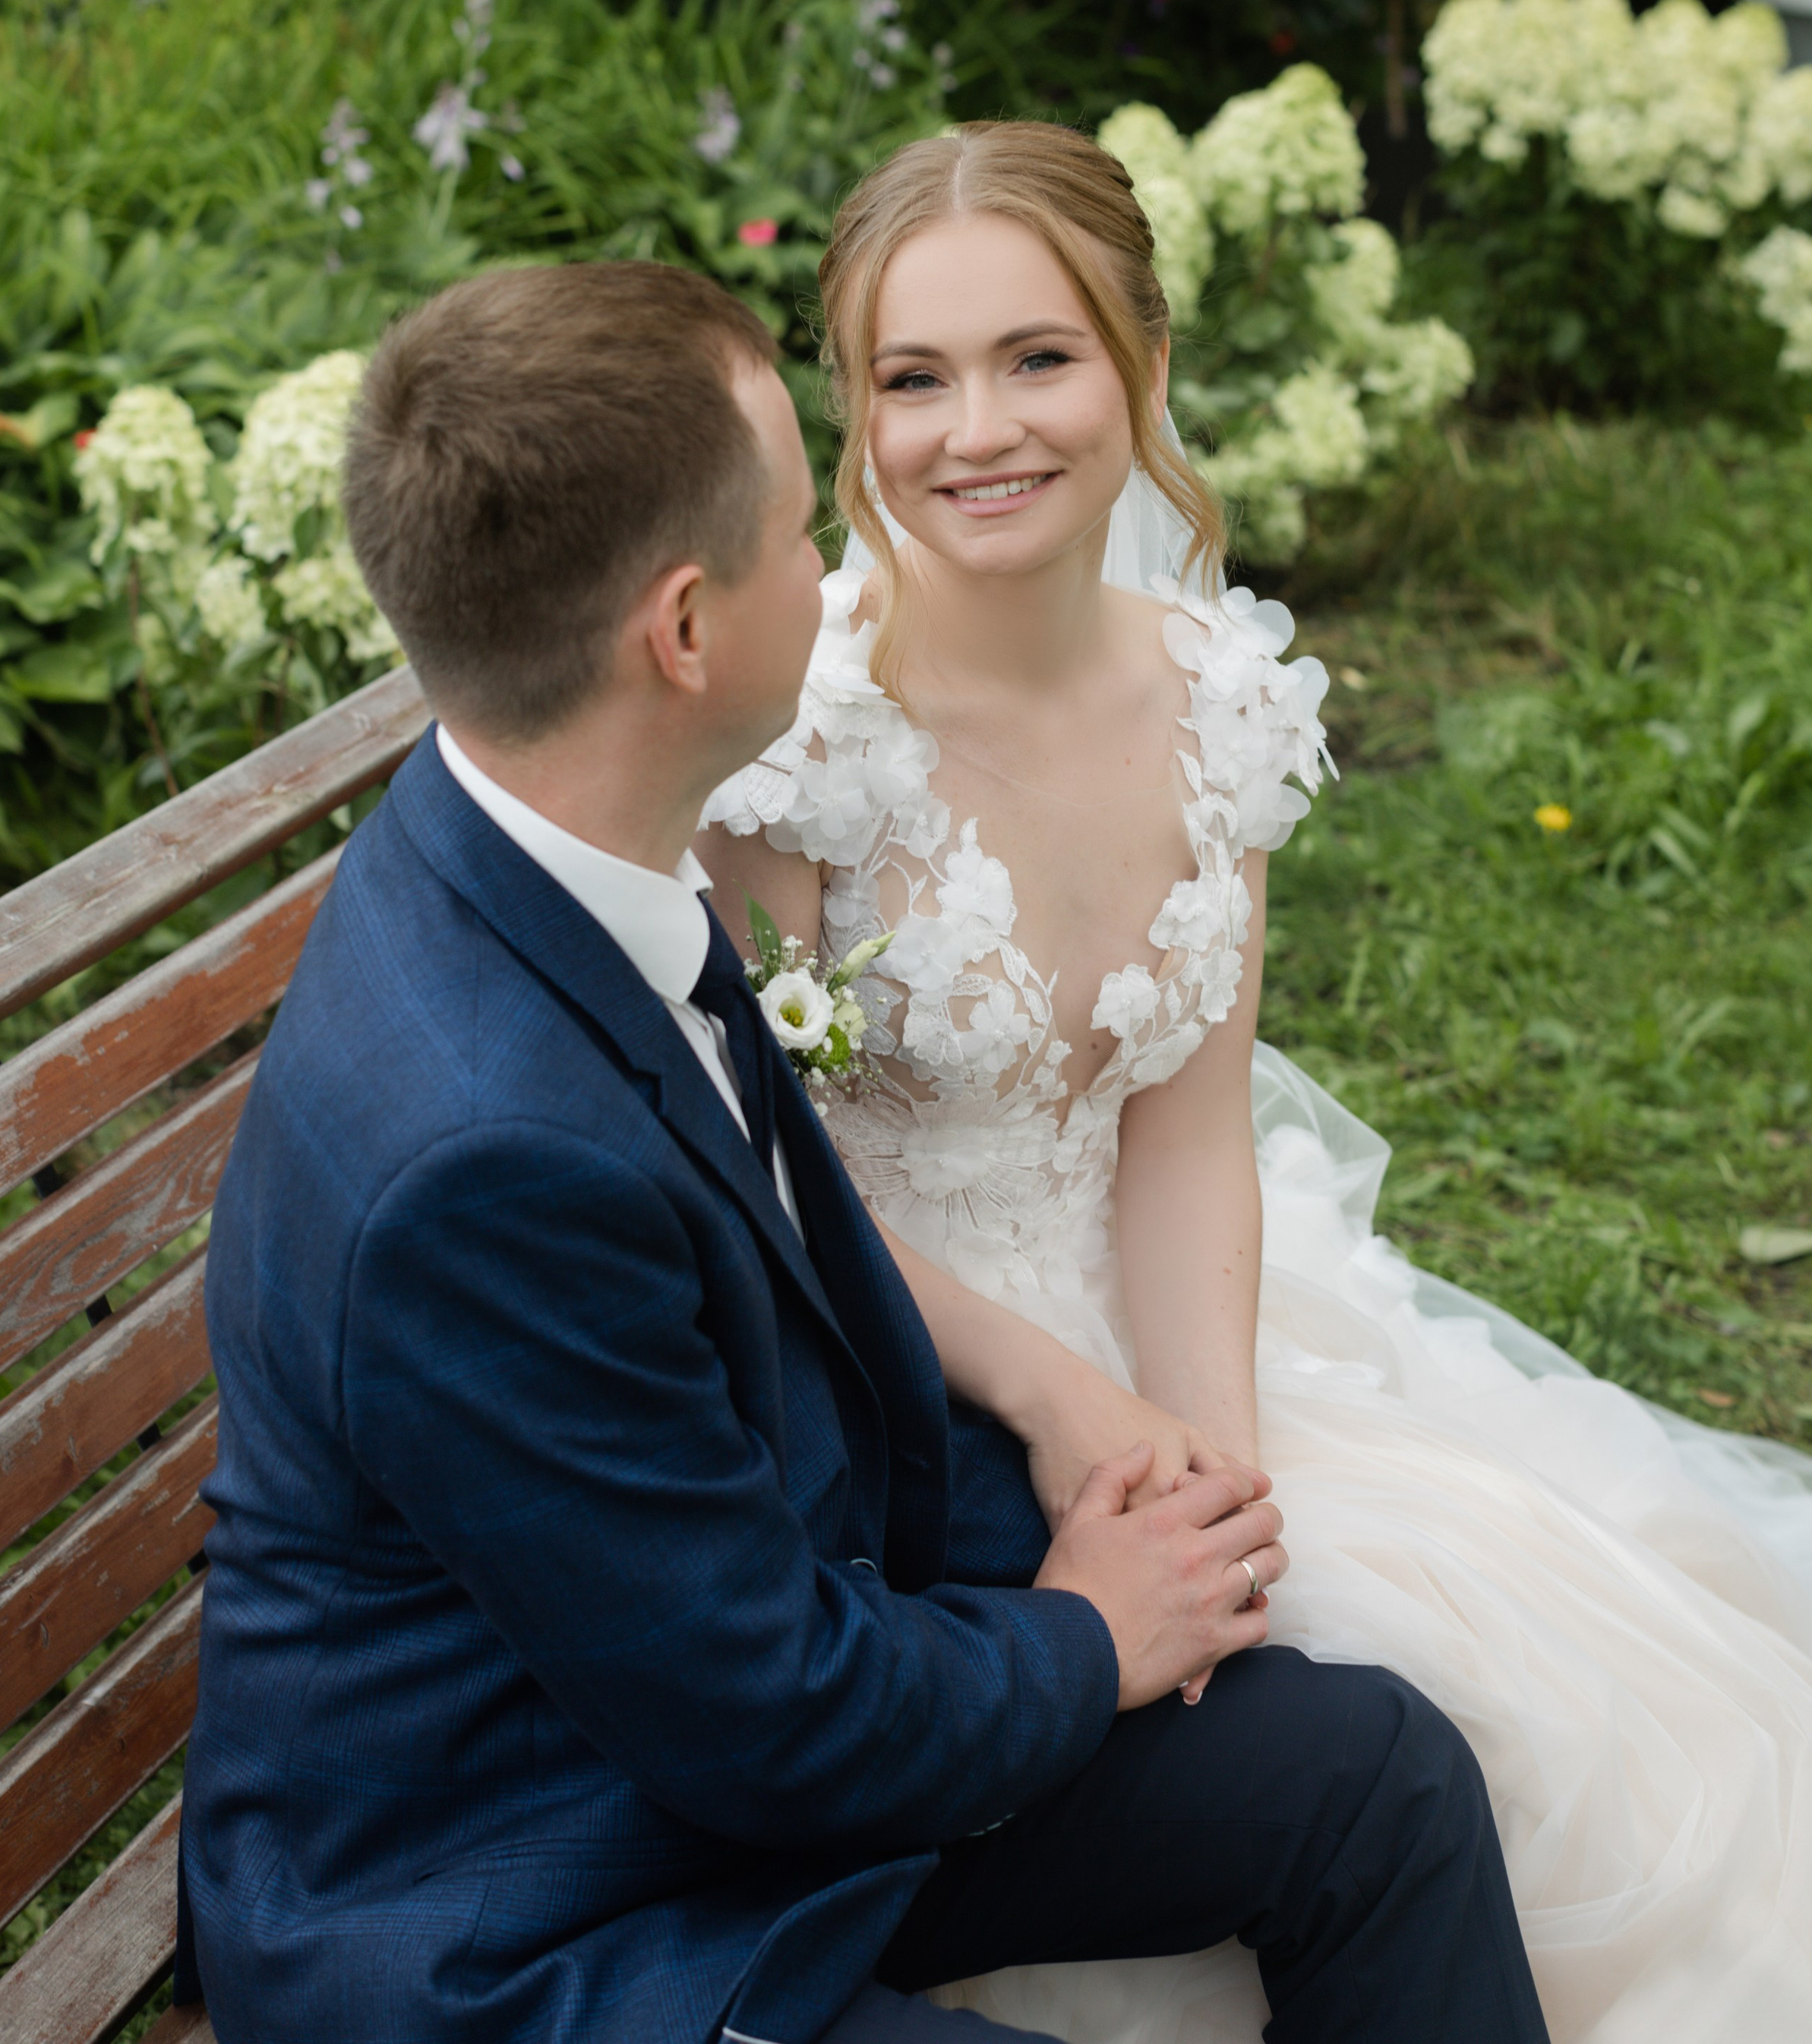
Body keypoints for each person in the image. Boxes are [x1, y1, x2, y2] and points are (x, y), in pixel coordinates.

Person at [177, 257, 1545, 2044]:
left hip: (694, 1723)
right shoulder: (482, 1162)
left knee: (1365, 1774)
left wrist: (1097, 1482)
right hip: (537, 1914)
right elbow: (770, 1722)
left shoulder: (567, 842)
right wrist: (1085, 1633)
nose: (835, 556)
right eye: (784, 527)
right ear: (683, 631)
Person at [696, 121, 1812, 2044]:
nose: (979, 430)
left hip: (1168, 1310)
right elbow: (767, 1179)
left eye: (1036, 357)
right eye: (912, 376)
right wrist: (1078, 1427)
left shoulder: (1217, 692)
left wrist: (1216, 1468)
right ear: (851, 409)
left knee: (1554, 1690)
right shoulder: (798, 749)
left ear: (1138, 360)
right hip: (900, 1356)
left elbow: (1188, 1132)